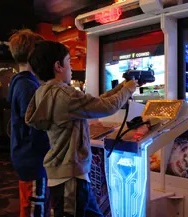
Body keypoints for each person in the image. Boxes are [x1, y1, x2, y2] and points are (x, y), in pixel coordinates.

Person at [25, 40, 138, 217]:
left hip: (66, 173)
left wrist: (121, 88)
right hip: (70, 176)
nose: (71, 67)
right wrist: (129, 90)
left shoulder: (44, 92)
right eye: (69, 61)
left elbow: (95, 103)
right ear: (58, 66)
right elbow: (106, 108)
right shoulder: (64, 95)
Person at [7, 29, 50, 217]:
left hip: (26, 156)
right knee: (35, 207)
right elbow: (36, 126)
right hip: (34, 160)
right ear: (34, 54)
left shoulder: (20, 81)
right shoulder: (28, 86)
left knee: (32, 204)